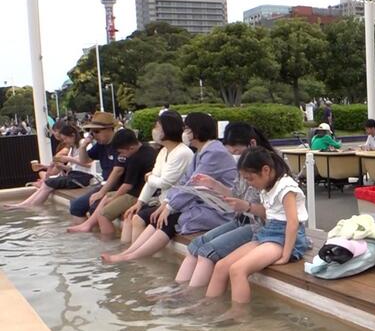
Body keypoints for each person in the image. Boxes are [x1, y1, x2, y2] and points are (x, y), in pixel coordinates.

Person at [101, 112, 237, 263]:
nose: (184, 133)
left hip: (220, 211)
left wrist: (170, 207)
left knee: (168, 220)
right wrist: (166, 204)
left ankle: (131, 257)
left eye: (187, 129)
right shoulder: (201, 152)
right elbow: (185, 182)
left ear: (197, 131)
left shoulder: (214, 153)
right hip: (203, 205)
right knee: (160, 217)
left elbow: (193, 185)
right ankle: (130, 253)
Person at [161, 123, 269, 294]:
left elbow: (273, 210)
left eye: (236, 152)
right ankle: (177, 290)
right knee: (196, 245)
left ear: (252, 144)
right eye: (231, 152)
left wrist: (246, 206)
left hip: (258, 225)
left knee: (207, 252)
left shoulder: (267, 169)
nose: (234, 156)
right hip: (241, 220)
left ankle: (190, 296)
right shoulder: (245, 164)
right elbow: (236, 194)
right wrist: (213, 185)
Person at [200, 147, 309, 308]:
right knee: (222, 265)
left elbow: (292, 223)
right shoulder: (268, 186)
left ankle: (239, 318)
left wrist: (286, 255)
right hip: (268, 233)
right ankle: (208, 307)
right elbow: (270, 213)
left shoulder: (286, 187)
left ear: (265, 170)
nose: (249, 184)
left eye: (250, 179)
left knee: (238, 270)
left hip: (283, 239)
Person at [119, 111, 192, 244]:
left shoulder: (182, 153)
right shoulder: (164, 151)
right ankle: (125, 253)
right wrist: (139, 203)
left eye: (157, 127)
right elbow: (154, 179)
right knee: (130, 215)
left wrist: (149, 178)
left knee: (138, 218)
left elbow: (164, 182)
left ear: (167, 130)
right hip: (161, 201)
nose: (154, 130)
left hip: (175, 205)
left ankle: (137, 260)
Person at [66, 129, 157, 236]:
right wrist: (110, 197)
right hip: (139, 191)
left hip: (137, 194)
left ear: (131, 148)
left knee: (103, 215)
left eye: (122, 152)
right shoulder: (147, 149)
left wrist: (113, 199)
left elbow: (127, 186)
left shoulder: (135, 159)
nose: (121, 155)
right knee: (106, 196)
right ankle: (88, 225)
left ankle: (108, 241)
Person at [4, 123, 93, 209]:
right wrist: (61, 166)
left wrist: (68, 159)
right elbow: (71, 168)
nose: (64, 141)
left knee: (48, 183)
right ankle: (24, 204)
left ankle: (29, 206)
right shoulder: (72, 148)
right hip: (74, 176)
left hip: (82, 178)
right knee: (48, 182)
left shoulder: (83, 144)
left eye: (65, 138)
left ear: (73, 135)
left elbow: (88, 164)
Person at [69, 112, 126, 225]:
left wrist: (102, 192)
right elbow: (84, 161)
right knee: (76, 206)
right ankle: (87, 239)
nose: (94, 135)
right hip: (105, 185)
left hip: (119, 186)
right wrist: (83, 146)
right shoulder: (100, 145)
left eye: (97, 131)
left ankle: (106, 239)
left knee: (94, 209)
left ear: (110, 129)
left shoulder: (120, 144)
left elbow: (118, 171)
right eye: (91, 132)